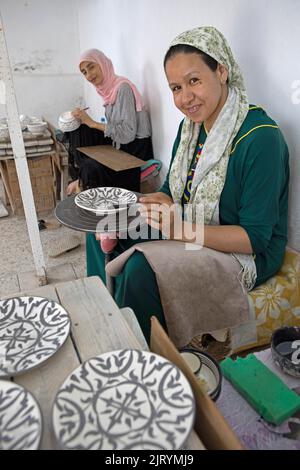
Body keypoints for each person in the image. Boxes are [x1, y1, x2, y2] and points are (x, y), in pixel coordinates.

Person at [86, 26, 289, 346]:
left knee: (143, 269)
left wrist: (178, 229)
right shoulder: (191, 127)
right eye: (176, 87)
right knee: (105, 222)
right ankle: (107, 315)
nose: (185, 98)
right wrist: (156, 199)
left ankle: (143, 355)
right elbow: (172, 188)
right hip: (193, 221)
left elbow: (254, 238)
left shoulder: (260, 138)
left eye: (194, 81)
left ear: (221, 71)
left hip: (244, 251)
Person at [64, 49, 153, 194]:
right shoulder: (107, 90)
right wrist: (84, 120)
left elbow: (128, 134)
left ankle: (84, 180)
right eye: (84, 72)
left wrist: (92, 123)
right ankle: (81, 175)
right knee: (79, 129)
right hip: (120, 143)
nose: (89, 75)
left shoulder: (122, 88)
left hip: (135, 148)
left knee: (91, 165)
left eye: (91, 66)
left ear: (102, 63)